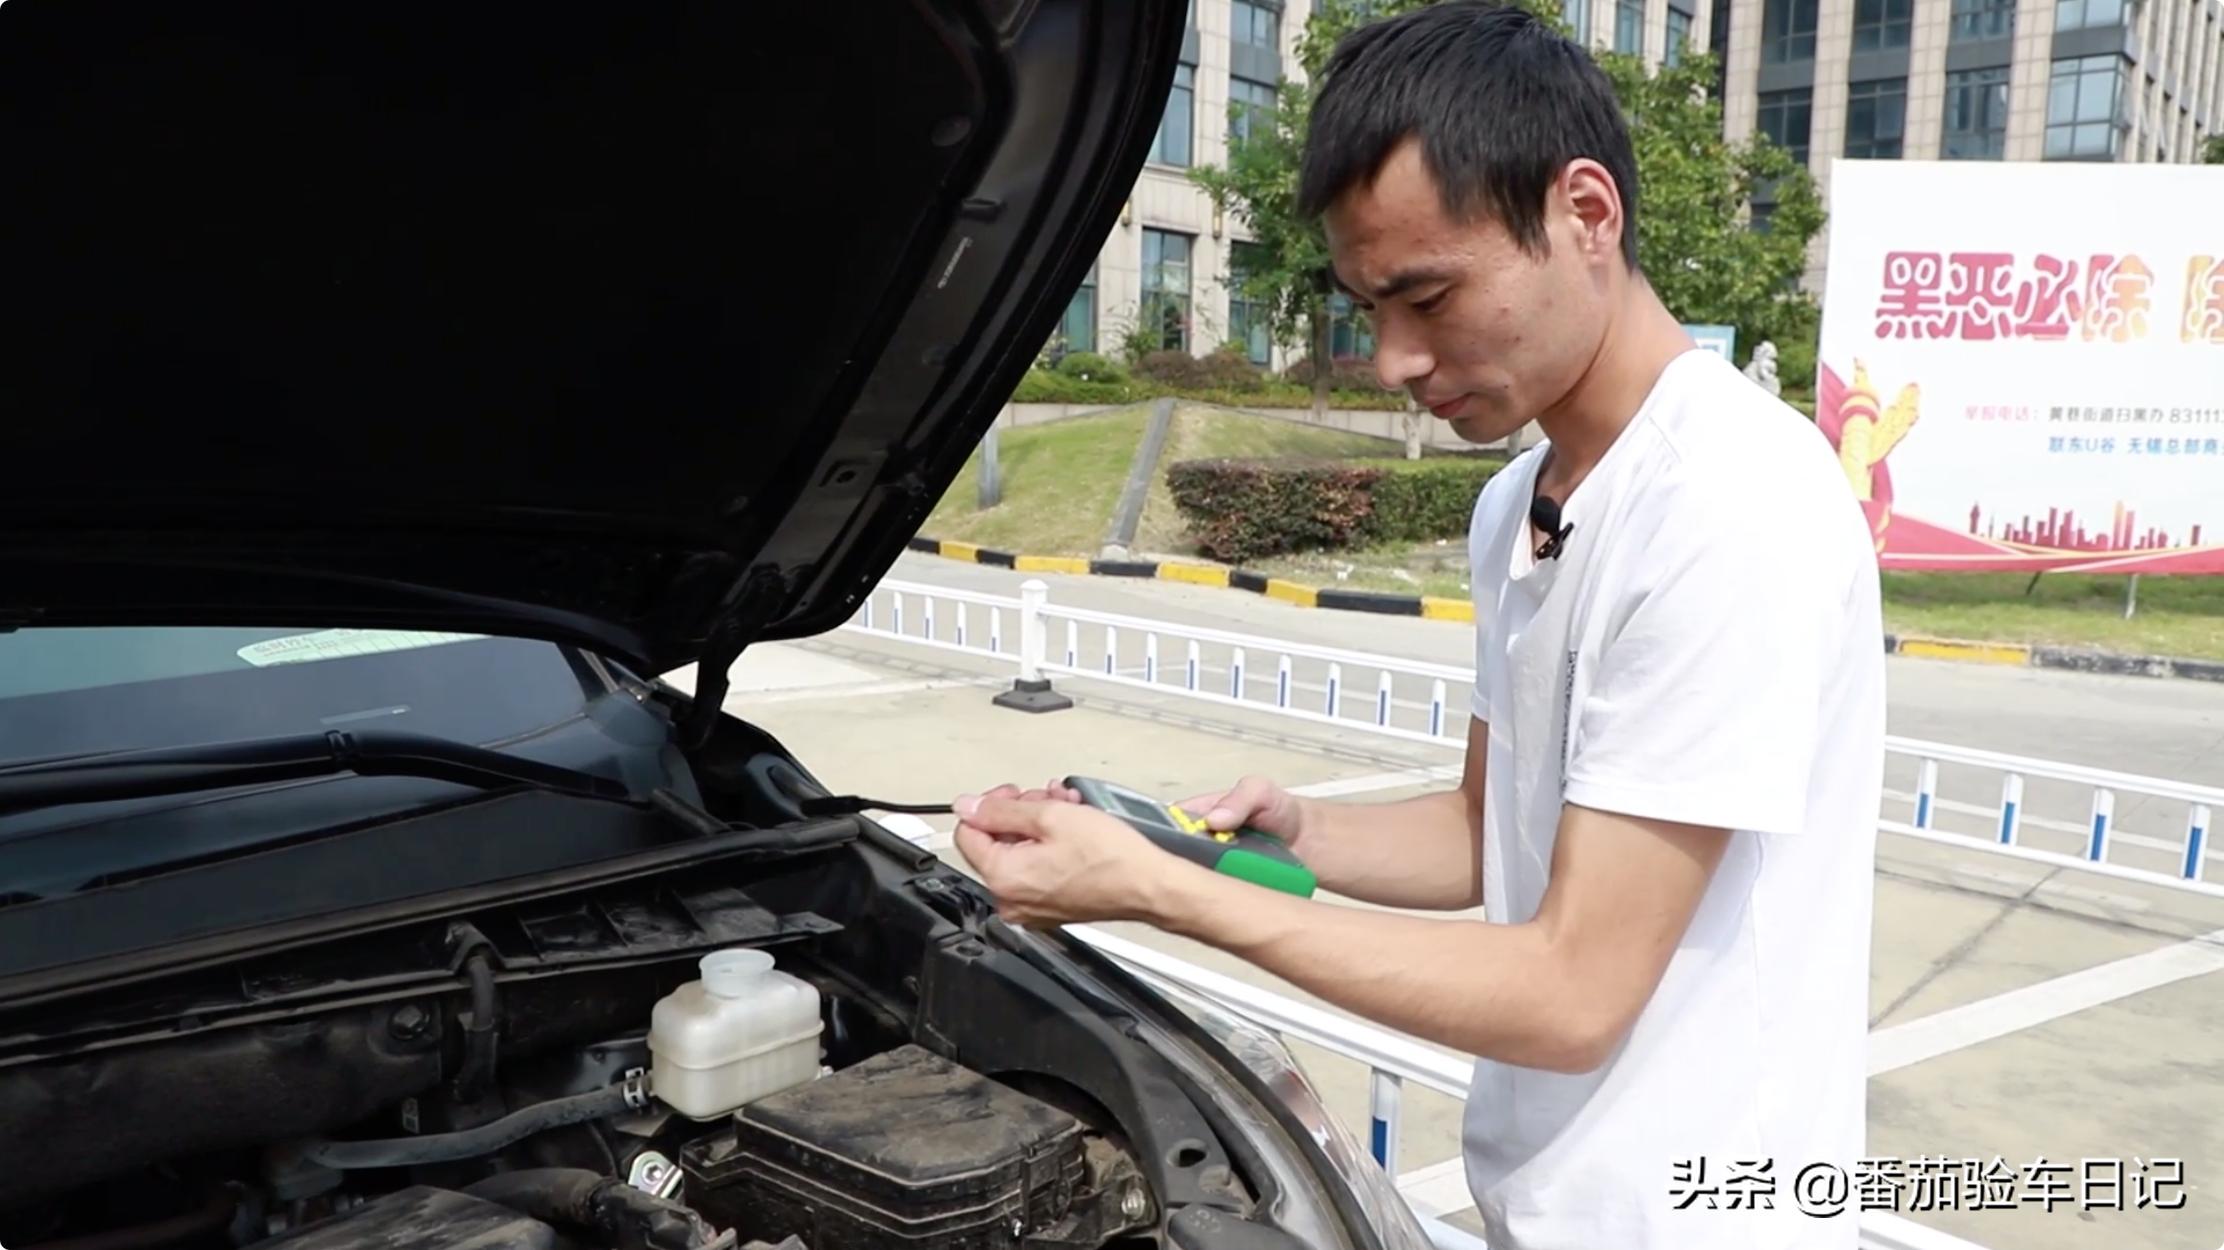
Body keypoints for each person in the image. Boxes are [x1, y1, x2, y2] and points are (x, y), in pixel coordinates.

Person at [949, 4, 1885, 1247]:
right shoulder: (1521, 501)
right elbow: (1483, 829)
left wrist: (1159, 895)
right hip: (1544, 1201)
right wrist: (1270, 837)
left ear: (1585, 214)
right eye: (1367, 306)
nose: (1391, 358)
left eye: (1427, 296)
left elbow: (1572, 990)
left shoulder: (1729, 500)